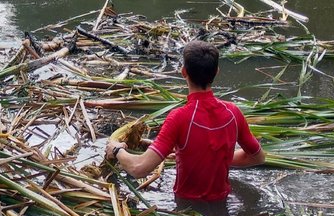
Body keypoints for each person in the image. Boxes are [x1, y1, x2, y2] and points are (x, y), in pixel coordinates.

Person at [105, 40, 265, 203]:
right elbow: (258, 158)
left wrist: (117, 150)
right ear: (217, 72)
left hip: (186, 208)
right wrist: (214, 159)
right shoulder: (233, 113)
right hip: (223, 203)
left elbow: (139, 169)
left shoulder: (179, 118)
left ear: (183, 72)